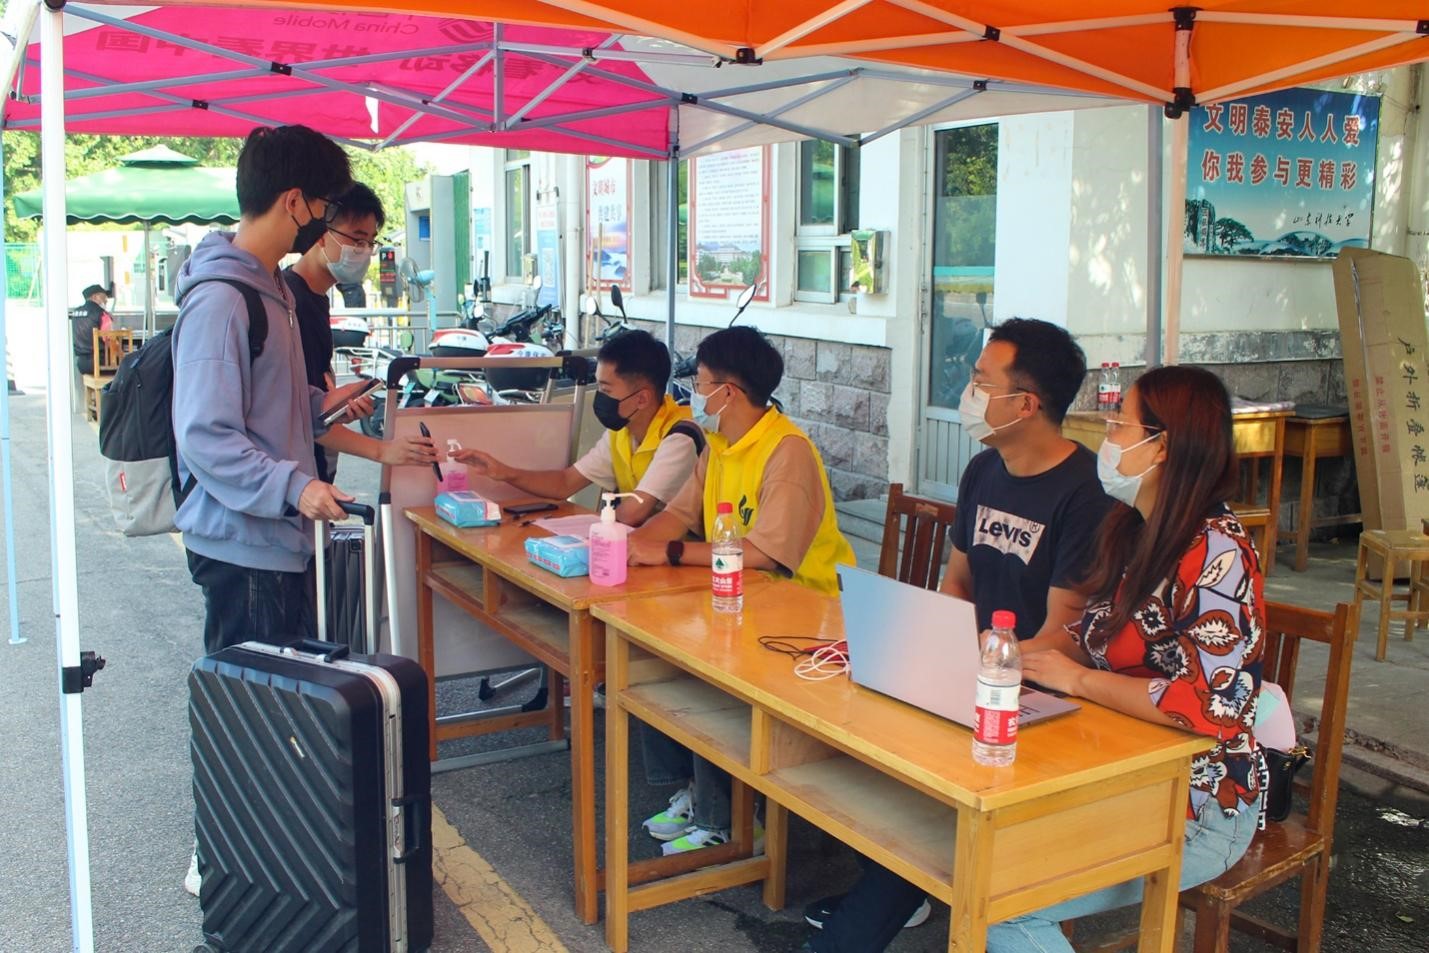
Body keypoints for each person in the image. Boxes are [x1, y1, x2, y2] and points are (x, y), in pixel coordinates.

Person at [805, 317, 1114, 950]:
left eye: (980, 381)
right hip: (968, 673)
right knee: (840, 735)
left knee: (922, 795)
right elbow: (957, 582)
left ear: (1025, 404)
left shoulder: (1087, 494)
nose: (966, 393)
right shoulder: (983, 470)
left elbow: (1064, 636)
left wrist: (978, 666)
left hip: (1036, 692)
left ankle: (872, 914)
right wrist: (928, 645)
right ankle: (902, 886)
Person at [985, 365, 1265, 952]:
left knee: (1001, 906)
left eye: (1119, 425)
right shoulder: (1140, 529)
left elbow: (1205, 706)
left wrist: (1078, 681)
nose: (1107, 438)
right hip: (1122, 768)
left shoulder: (1217, 552)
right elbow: (1090, 635)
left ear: (1162, 445)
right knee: (982, 854)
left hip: (1199, 805)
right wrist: (1003, 655)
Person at [625, 325, 856, 854]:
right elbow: (680, 514)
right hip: (740, 599)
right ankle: (693, 789)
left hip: (808, 615)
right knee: (649, 645)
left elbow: (765, 554)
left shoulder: (787, 451)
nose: (694, 395)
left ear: (727, 392)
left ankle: (726, 821)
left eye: (701, 384)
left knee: (709, 669)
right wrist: (632, 546)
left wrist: (670, 552)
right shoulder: (720, 445)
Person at [173, 124, 359, 658]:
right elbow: (205, 435)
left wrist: (322, 405)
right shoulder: (224, 300)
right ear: (294, 201)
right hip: (243, 546)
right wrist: (295, 488)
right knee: (251, 701)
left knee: (282, 696)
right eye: (324, 207)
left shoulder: (273, 288)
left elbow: (266, 401)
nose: (324, 221)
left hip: (274, 537)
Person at [453, 329, 701, 525]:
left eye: (606, 390)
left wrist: (586, 530)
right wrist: (502, 471)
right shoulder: (621, 433)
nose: (599, 397)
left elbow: (633, 513)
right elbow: (565, 483)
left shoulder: (680, 437)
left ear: (642, 399)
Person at [282, 181, 435, 482]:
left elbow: (319, 406)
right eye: (356, 239)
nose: (364, 251)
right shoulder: (291, 303)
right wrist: (383, 450)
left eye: (370, 242)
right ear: (320, 233)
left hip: (314, 472)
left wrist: (338, 405)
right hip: (298, 481)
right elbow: (303, 417)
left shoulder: (315, 298)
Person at [69, 282, 113, 375]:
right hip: (101, 362)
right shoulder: (102, 314)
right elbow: (109, 339)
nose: (106, 300)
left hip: (81, 363)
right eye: (104, 297)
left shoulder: (75, 313)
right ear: (95, 297)